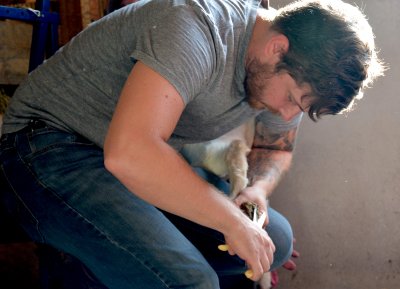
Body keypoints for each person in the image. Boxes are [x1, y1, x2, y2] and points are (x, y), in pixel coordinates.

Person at [0, 0, 383, 288]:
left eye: (299, 109)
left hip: (121, 161)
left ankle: (97, 261)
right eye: (292, 100)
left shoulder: (289, 71)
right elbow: (130, 152)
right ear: (277, 48)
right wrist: (229, 219)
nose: (286, 115)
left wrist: (257, 190)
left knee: (275, 243)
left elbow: (275, 149)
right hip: (44, 144)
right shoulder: (195, 26)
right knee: (190, 280)